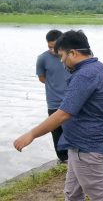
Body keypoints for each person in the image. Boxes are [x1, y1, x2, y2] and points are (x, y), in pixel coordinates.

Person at [14, 30, 103, 201]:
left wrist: (32, 134)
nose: (61, 61)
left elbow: (63, 114)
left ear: (74, 53)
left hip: (87, 147)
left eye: (62, 56)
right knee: (72, 193)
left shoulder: (83, 76)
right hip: (77, 146)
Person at [36, 29, 69, 163]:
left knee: (73, 129)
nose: (53, 50)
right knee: (56, 132)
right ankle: (62, 159)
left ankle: (74, 156)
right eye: (50, 47)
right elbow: (42, 78)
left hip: (71, 100)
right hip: (54, 102)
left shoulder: (70, 56)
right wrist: (55, 86)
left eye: (55, 47)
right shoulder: (42, 58)